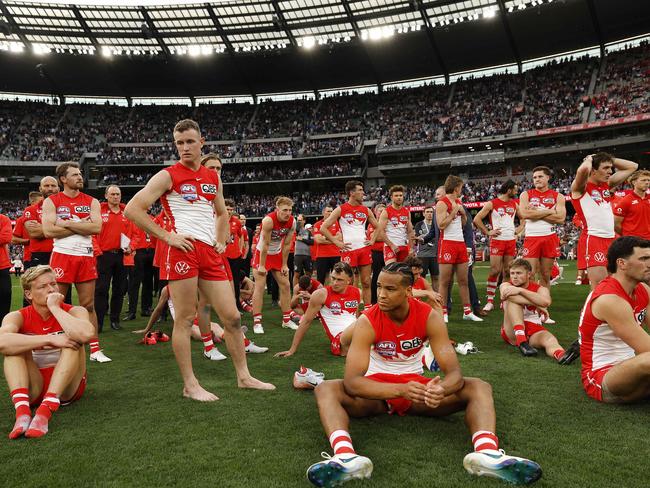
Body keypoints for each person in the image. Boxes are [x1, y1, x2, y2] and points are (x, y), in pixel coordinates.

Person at [305, 263, 542, 487]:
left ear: (408, 291)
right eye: (379, 287)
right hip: (378, 393)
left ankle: (486, 453)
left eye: (390, 289)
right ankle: (345, 457)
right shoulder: (367, 320)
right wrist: (399, 389)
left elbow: (454, 374)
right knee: (325, 387)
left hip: (418, 391)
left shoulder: (429, 316)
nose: (382, 295)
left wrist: (442, 389)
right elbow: (353, 382)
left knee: (478, 385)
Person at [124, 118, 273, 401]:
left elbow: (220, 213)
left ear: (201, 142)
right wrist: (167, 237)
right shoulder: (167, 175)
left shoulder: (212, 176)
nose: (184, 148)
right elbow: (133, 209)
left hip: (209, 252)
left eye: (190, 142)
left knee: (231, 316)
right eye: (179, 143)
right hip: (182, 249)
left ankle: (244, 376)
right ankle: (190, 385)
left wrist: (220, 239)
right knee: (185, 318)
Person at [0, 265, 94, 439]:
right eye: (43, 286)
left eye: (53, 284)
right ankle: (22, 413)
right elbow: (2, 342)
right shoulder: (17, 316)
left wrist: (56, 308)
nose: (51, 289)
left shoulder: (74, 311)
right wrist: (49, 339)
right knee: (13, 348)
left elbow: (86, 334)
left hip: (67, 387)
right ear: (29, 294)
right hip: (33, 385)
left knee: (73, 340)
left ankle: (45, 411)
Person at [42, 163, 108, 363]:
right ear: (63, 179)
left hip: (86, 256)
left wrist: (68, 222)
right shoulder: (52, 201)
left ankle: (95, 350)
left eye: (80, 174)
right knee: (56, 303)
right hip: (62, 255)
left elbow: (96, 227)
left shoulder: (92, 201)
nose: (80, 177)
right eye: (75, 175)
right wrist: (82, 224)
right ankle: (57, 345)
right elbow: (49, 231)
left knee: (88, 305)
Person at [576, 236, 650, 402]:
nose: (649, 264)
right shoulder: (609, 299)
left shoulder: (643, 289)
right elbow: (646, 348)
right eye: (644, 259)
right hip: (602, 376)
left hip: (634, 367)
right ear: (621, 264)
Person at [137, 285, 267, 355]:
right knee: (193, 330)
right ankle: (212, 338)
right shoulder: (168, 289)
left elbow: (202, 305)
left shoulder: (193, 284)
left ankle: (243, 343)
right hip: (184, 321)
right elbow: (158, 309)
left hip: (196, 317)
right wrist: (147, 328)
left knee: (216, 326)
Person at [571, 153, 638, 288]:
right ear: (593, 170)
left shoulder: (605, 186)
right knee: (600, 288)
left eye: (611, 168)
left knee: (619, 285)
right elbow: (582, 170)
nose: (610, 171)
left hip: (612, 239)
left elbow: (632, 167)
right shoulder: (580, 188)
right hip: (594, 239)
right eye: (605, 168)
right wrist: (590, 159)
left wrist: (609, 159)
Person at [275, 262, 359, 358]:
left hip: (357, 333)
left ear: (349, 280)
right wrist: (292, 349)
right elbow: (306, 321)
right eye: (333, 278)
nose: (335, 283)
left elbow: (355, 317)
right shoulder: (321, 294)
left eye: (339, 280)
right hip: (340, 340)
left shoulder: (356, 292)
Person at [320, 180, 380, 308]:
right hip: (349, 250)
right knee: (349, 282)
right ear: (352, 193)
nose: (363, 193)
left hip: (364, 249)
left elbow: (377, 226)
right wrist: (337, 242)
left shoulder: (366, 210)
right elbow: (323, 227)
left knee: (366, 281)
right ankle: (350, 308)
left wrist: (373, 240)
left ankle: (368, 309)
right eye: (360, 190)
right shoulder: (340, 209)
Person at [499, 259, 568, 361]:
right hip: (512, 329)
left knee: (549, 338)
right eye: (512, 273)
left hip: (533, 327)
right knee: (512, 300)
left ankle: (561, 355)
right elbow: (508, 296)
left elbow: (546, 302)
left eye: (519, 273)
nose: (514, 276)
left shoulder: (541, 289)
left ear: (529, 274)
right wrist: (537, 304)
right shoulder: (506, 285)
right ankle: (521, 341)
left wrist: (520, 290)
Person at [435, 176, 482, 323]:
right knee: (445, 281)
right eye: (461, 187)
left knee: (463, 280)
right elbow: (441, 225)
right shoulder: (442, 203)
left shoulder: (458, 202)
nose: (462, 190)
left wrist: (462, 215)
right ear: (456, 188)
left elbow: (462, 224)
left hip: (460, 243)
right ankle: (443, 312)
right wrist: (455, 210)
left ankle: (467, 311)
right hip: (447, 243)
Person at [251, 196, 296, 334]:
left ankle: (287, 320)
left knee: (286, 285)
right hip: (262, 253)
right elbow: (265, 244)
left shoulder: (292, 222)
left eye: (289, 210)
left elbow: (287, 244)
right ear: (277, 209)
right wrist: (262, 266)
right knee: (259, 286)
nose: (287, 213)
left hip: (277, 254)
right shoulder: (268, 220)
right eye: (284, 210)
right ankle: (257, 322)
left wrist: (284, 265)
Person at [473, 180, 519, 312]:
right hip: (497, 241)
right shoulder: (492, 203)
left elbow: (523, 219)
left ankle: (504, 300)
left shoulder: (515, 204)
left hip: (510, 241)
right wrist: (487, 232)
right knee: (494, 270)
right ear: (509, 190)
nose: (516, 192)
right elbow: (477, 219)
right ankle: (490, 300)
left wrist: (519, 229)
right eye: (515, 190)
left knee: (507, 271)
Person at [519, 167, 566, 290]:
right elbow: (525, 214)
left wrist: (537, 213)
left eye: (540, 176)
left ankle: (542, 306)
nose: (537, 179)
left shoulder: (558, 196)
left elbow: (560, 219)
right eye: (534, 177)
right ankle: (530, 306)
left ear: (548, 177)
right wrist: (549, 211)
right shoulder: (526, 194)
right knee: (529, 274)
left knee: (545, 275)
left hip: (549, 238)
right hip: (532, 238)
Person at [95, 185, 131, 332]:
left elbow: (134, 232)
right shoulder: (98, 210)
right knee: (101, 289)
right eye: (113, 194)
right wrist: (98, 251)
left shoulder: (127, 212)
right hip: (104, 255)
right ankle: (99, 322)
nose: (116, 197)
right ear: (106, 195)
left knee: (119, 289)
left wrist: (131, 247)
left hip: (122, 255)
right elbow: (92, 233)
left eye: (118, 194)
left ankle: (115, 320)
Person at [124, 211, 156, 320]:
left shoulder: (153, 218)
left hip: (151, 250)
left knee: (148, 282)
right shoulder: (133, 217)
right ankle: (132, 311)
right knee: (134, 282)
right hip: (138, 251)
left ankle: (146, 308)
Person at [23, 176, 59, 268]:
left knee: (61, 282)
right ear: (40, 188)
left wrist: (42, 227)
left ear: (58, 188)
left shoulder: (66, 208)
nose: (50, 188)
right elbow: (34, 233)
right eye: (46, 185)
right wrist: (64, 227)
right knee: (40, 282)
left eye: (53, 185)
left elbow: (76, 229)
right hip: (40, 255)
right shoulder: (31, 209)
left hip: (62, 251)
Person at [377, 185, 414, 264]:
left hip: (403, 246)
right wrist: (391, 245)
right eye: (396, 196)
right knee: (391, 271)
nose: (399, 197)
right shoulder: (386, 211)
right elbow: (380, 231)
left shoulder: (406, 211)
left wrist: (411, 248)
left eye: (400, 195)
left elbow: (410, 231)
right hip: (390, 246)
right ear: (391, 197)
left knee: (404, 273)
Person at [613, 170, 650, 239]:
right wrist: (627, 235)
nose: (647, 182)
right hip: (631, 241)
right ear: (634, 182)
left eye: (648, 180)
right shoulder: (626, 201)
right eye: (643, 180)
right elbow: (616, 224)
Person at [313, 206, 341, 285]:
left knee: (337, 277)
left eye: (331, 211)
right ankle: (321, 295)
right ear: (323, 213)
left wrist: (325, 238)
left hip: (335, 254)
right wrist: (334, 240)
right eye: (328, 211)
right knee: (321, 278)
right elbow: (318, 240)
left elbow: (340, 238)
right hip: (322, 255)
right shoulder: (317, 225)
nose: (330, 213)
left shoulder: (336, 223)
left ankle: (335, 295)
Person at [414, 205, 438, 291]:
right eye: (427, 212)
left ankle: (436, 296)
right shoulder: (419, 224)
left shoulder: (437, 224)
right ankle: (420, 297)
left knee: (436, 277)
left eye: (431, 212)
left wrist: (425, 237)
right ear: (423, 214)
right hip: (423, 255)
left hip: (435, 254)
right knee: (421, 277)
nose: (429, 214)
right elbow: (419, 237)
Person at [368, 203, 385, 304]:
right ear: (375, 212)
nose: (382, 213)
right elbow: (374, 238)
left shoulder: (388, 224)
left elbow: (378, 237)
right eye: (380, 211)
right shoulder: (372, 224)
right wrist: (386, 236)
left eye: (384, 211)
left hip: (388, 252)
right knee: (377, 276)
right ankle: (374, 301)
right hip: (376, 253)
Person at [293, 217, 314, 288]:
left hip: (307, 254)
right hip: (298, 255)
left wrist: (302, 239)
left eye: (300, 220)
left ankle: (307, 288)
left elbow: (312, 242)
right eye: (298, 220)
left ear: (304, 221)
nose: (299, 222)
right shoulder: (296, 230)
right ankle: (296, 289)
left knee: (309, 273)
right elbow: (297, 227)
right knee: (297, 274)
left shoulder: (308, 232)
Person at [0, 211, 11, 319]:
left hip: (2, 265)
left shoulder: (3, 219)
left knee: (5, 295)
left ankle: (4, 324)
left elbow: (6, 237)